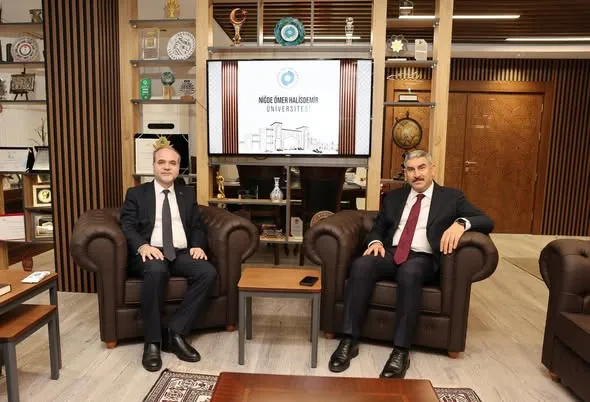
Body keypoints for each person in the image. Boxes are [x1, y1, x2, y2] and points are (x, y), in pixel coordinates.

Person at [328, 150, 494, 378]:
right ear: (405, 173)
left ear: (432, 169)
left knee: (410, 272)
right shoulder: (394, 198)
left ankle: (401, 350)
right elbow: (378, 227)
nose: (417, 174)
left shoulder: (452, 197)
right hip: (391, 252)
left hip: (423, 258)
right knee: (361, 265)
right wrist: (376, 241)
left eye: (421, 167)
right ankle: (349, 340)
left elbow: (486, 220)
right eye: (411, 169)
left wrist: (461, 224)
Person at [120, 143, 217, 372]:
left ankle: (175, 332)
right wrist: (142, 246)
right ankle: (152, 342)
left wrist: (197, 246)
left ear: (178, 168)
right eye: (161, 162)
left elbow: (196, 225)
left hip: (180, 253)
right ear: (154, 166)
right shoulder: (136, 194)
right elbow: (127, 225)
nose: (166, 167)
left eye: (172, 163)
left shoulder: (187, 193)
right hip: (151, 252)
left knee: (207, 272)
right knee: (157, 270)